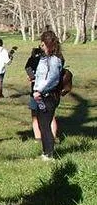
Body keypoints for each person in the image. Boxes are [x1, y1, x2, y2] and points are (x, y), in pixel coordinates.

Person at [29, 29, 64, 161]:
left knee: (45, 125)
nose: (41, 46)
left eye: (42, 44)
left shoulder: (54, 60)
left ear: (47, 44)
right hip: (40, 96)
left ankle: (49, 154)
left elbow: (52, 80)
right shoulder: (44, 59)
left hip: (48, 96)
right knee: (42, 124)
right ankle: (45, 151)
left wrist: (40, 91)